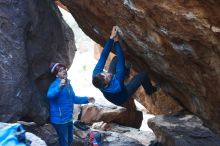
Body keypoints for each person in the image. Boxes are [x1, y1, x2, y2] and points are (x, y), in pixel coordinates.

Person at [92, 26, 159, 107]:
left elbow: (103, 56)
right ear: (106, 84)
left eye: (104, 73)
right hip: (122, 97)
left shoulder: (96, 74)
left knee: (115, 59)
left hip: (112, 85)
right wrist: (116, 42)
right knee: (143, 74)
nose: (108, 74)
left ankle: (126, 74)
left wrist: (111, 38)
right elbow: (121, 60)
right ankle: (150, 90)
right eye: (107, 78)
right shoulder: (117, 85)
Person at [47, 63, 95, 146]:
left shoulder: (68, 84)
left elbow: (73, 98)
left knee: (70, 140)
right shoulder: (55, 84)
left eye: (64, 69)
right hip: (60, 119)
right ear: (56, 74)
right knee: (64, 142)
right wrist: (58, 87)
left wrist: (86, 99)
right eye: (60, 70)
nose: (64, 71)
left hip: (68, 118)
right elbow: (50, 95)